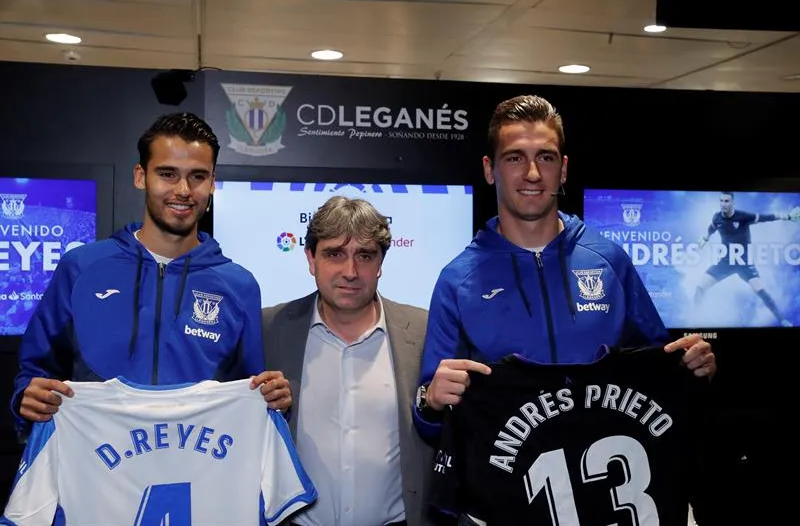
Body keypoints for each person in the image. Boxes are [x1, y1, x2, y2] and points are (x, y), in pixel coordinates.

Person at [413, 94, 716, 440]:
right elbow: (429, 417)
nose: (532, 173)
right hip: (504, 490)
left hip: (604, 481)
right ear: (489, 169)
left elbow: (661, 373)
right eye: (515, 158)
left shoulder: (609, 260)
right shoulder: (457, 281)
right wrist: (431, 402)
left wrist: (693, 367)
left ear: (564, 169)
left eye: (546, 157)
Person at [11, 112, 291, 434]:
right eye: (168, 174)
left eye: (198, 176)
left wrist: (272, 398)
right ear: (141, 176)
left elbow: (250, 394)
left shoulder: (238, 285)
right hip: (94, 471)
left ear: (213, 183)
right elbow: (35, 370)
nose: (184, 190)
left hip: (196, 474)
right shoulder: (82, 268)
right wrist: (25, 397)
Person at [262, 196, 443, 526]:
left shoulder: (424, 331)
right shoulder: (267, 330)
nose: (350, 271)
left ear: (380, 262)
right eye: (334, 254)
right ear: (310, 259)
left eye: (365, 255)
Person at [695, 191, 797, 327]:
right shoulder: (717, 218)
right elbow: (712, 227)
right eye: (721, 201)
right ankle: (696, 321)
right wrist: (706, 238)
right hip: (726, 262)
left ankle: (782, 320)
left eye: (726, 201)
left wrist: (787, 216)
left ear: (732, 203)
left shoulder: (742, 217)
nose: (723, 204)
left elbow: (765, 217)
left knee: (760, 290)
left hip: (744, 263)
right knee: (700, 287)